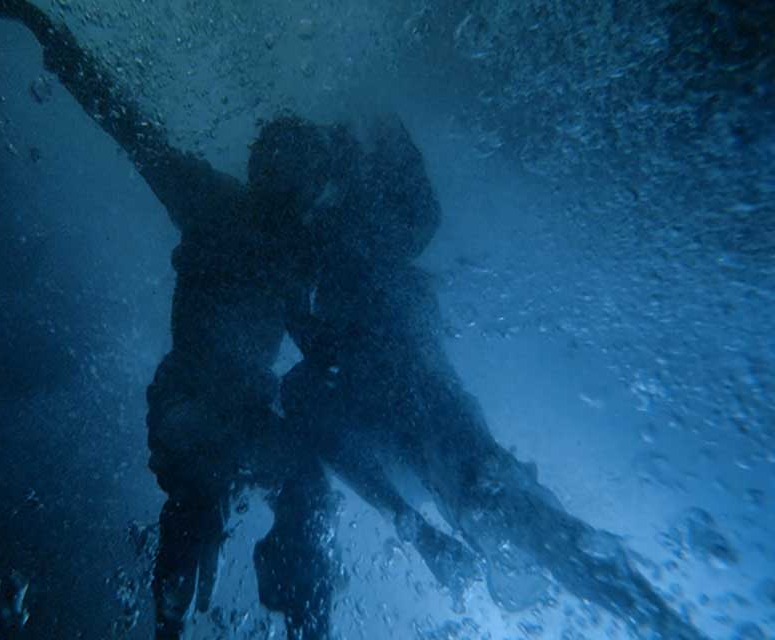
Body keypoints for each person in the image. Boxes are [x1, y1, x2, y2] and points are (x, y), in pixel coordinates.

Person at [0, 2, 468, 638]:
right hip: (197, 395)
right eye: (283, 163)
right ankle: (212, 616)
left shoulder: (295, 243)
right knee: (224, 498)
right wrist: (44, 29)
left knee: (297, 489)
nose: (292, 181)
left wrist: (373, 123)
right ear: (268, 172)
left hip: (230, 401)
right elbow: (123, 120)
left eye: (300, 168)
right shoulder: (219, 204)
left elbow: (402, 242)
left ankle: (290, 618)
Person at [282, 116, 711, 639]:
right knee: (486, 498)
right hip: (395, 414)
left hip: (415, 410)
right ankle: (655, 616)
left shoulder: (352, 239)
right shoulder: (328, 244)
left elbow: (408, 220)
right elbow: (315, 356)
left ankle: (656, 617)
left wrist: (390, 139)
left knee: (494, 503)